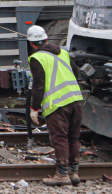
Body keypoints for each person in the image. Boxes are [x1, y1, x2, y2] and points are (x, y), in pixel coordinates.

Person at [26, 24, 85, 186]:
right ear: (46, 39)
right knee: (73, 138)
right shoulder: (64, 53)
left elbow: (39, 86)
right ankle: (74, 173)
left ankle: (62, 175)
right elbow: (78, 73)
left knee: (60, 139)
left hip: (58, 104)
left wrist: (34, 108)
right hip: (76, 101)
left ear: (31, 43)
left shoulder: (37, 58)